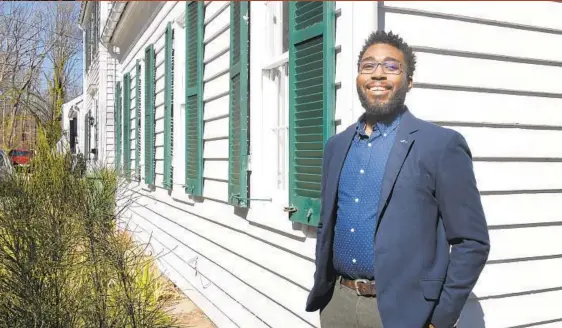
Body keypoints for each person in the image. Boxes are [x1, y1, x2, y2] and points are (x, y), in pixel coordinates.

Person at [305, 30, 490, 328]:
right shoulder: (335, 146)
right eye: (368, 66)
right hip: (337, 304)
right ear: (358, 78)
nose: (378, 74)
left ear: (409, 81)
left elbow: (472, 241)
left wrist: (440, 319)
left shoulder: (440, 145)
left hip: (404, 312)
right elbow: (328, 223)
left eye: (391, 67)